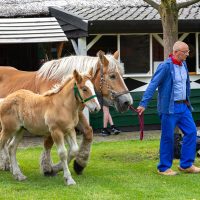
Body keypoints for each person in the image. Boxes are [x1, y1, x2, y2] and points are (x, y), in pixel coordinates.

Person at [137, 41, 200, 176]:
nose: (188, 54)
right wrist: (143, 103)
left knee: (192, 132)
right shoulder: (165, 66)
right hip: (169, 108)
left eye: (188, 51)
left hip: (183, 106)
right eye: (185, 52)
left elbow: (185, 84)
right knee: (168, 137)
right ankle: (164, 167)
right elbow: (153, 84)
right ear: (176, 52)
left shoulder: (184, 64)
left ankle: (186, 165)